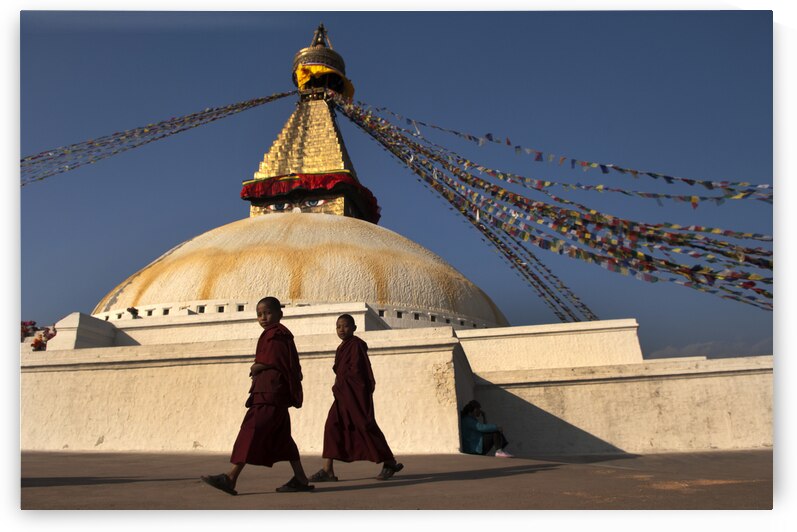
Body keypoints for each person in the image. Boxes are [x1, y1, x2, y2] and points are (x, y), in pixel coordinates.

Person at [201, 296, 314, 494]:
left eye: (268, 313)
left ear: (280, 314)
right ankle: (301, 478)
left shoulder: (276, 333)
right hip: (271, 391)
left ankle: (231, 477)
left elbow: (275, 359)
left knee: (252, 429)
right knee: (283, 438)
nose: (263, 317)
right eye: (259, 314)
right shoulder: (278, 333)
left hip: (270, 391)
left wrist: (257, 365)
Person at [308, 314, 403, 482]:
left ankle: (389, 462)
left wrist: (347, 387)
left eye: (345, 326)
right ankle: (327, 470)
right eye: (338, 327)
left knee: (365, 426)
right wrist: (340, 387)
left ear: (354, 328)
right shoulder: (342, 348)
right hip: (342, 395)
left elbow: (359, 372)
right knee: (331, 426)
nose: (341, 330)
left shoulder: (357, 345)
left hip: (355, 395)